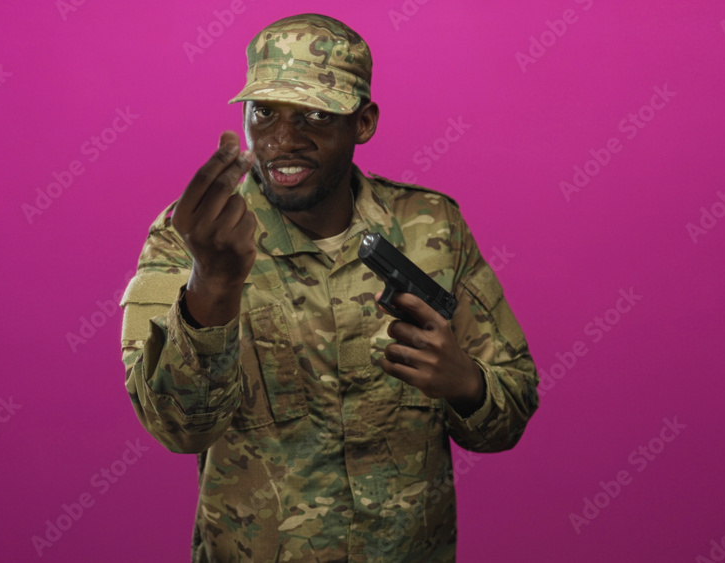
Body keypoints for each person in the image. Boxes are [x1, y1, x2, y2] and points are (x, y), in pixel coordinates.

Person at [120, 13, 540, 562]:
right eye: (264, 112)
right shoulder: (194, 238)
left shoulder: (431, 227)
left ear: (362, 123)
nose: (281, 141)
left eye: (316, 116)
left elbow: (512, 407)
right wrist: (213, 286)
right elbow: (178, 427)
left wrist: (466, 383)